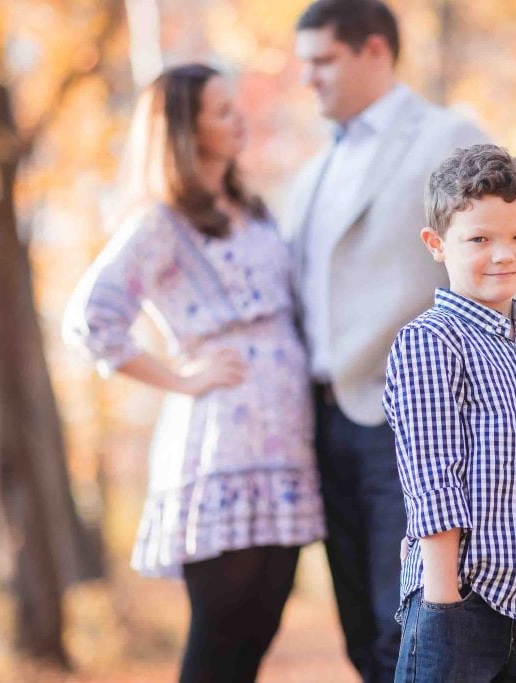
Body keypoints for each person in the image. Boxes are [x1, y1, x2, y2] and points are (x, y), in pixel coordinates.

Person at [62, 63, 325, 682]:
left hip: (286, 449)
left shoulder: (255, 210)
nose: (239, 119)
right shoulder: (160, 224)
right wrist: (182, 379)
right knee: (219, 641)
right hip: (220, 452)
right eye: (221, 110)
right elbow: (89, 319)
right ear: (184, 129)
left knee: (259, 631)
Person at [287, 1, 488, 679]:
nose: (307, 78)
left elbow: (496, 256)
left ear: (374, 50)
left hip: (407, 409)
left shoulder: (447, 134)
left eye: (322, 60)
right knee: (360, 629)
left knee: (408, 618)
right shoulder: (310, 172)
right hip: (318, 418)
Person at [383, 144, 516, 682]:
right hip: (464, 604)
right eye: (479, 239)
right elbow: (433, 480)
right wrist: (445, 605)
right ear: (437, 245)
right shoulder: (432, 341)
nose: (503, 255)